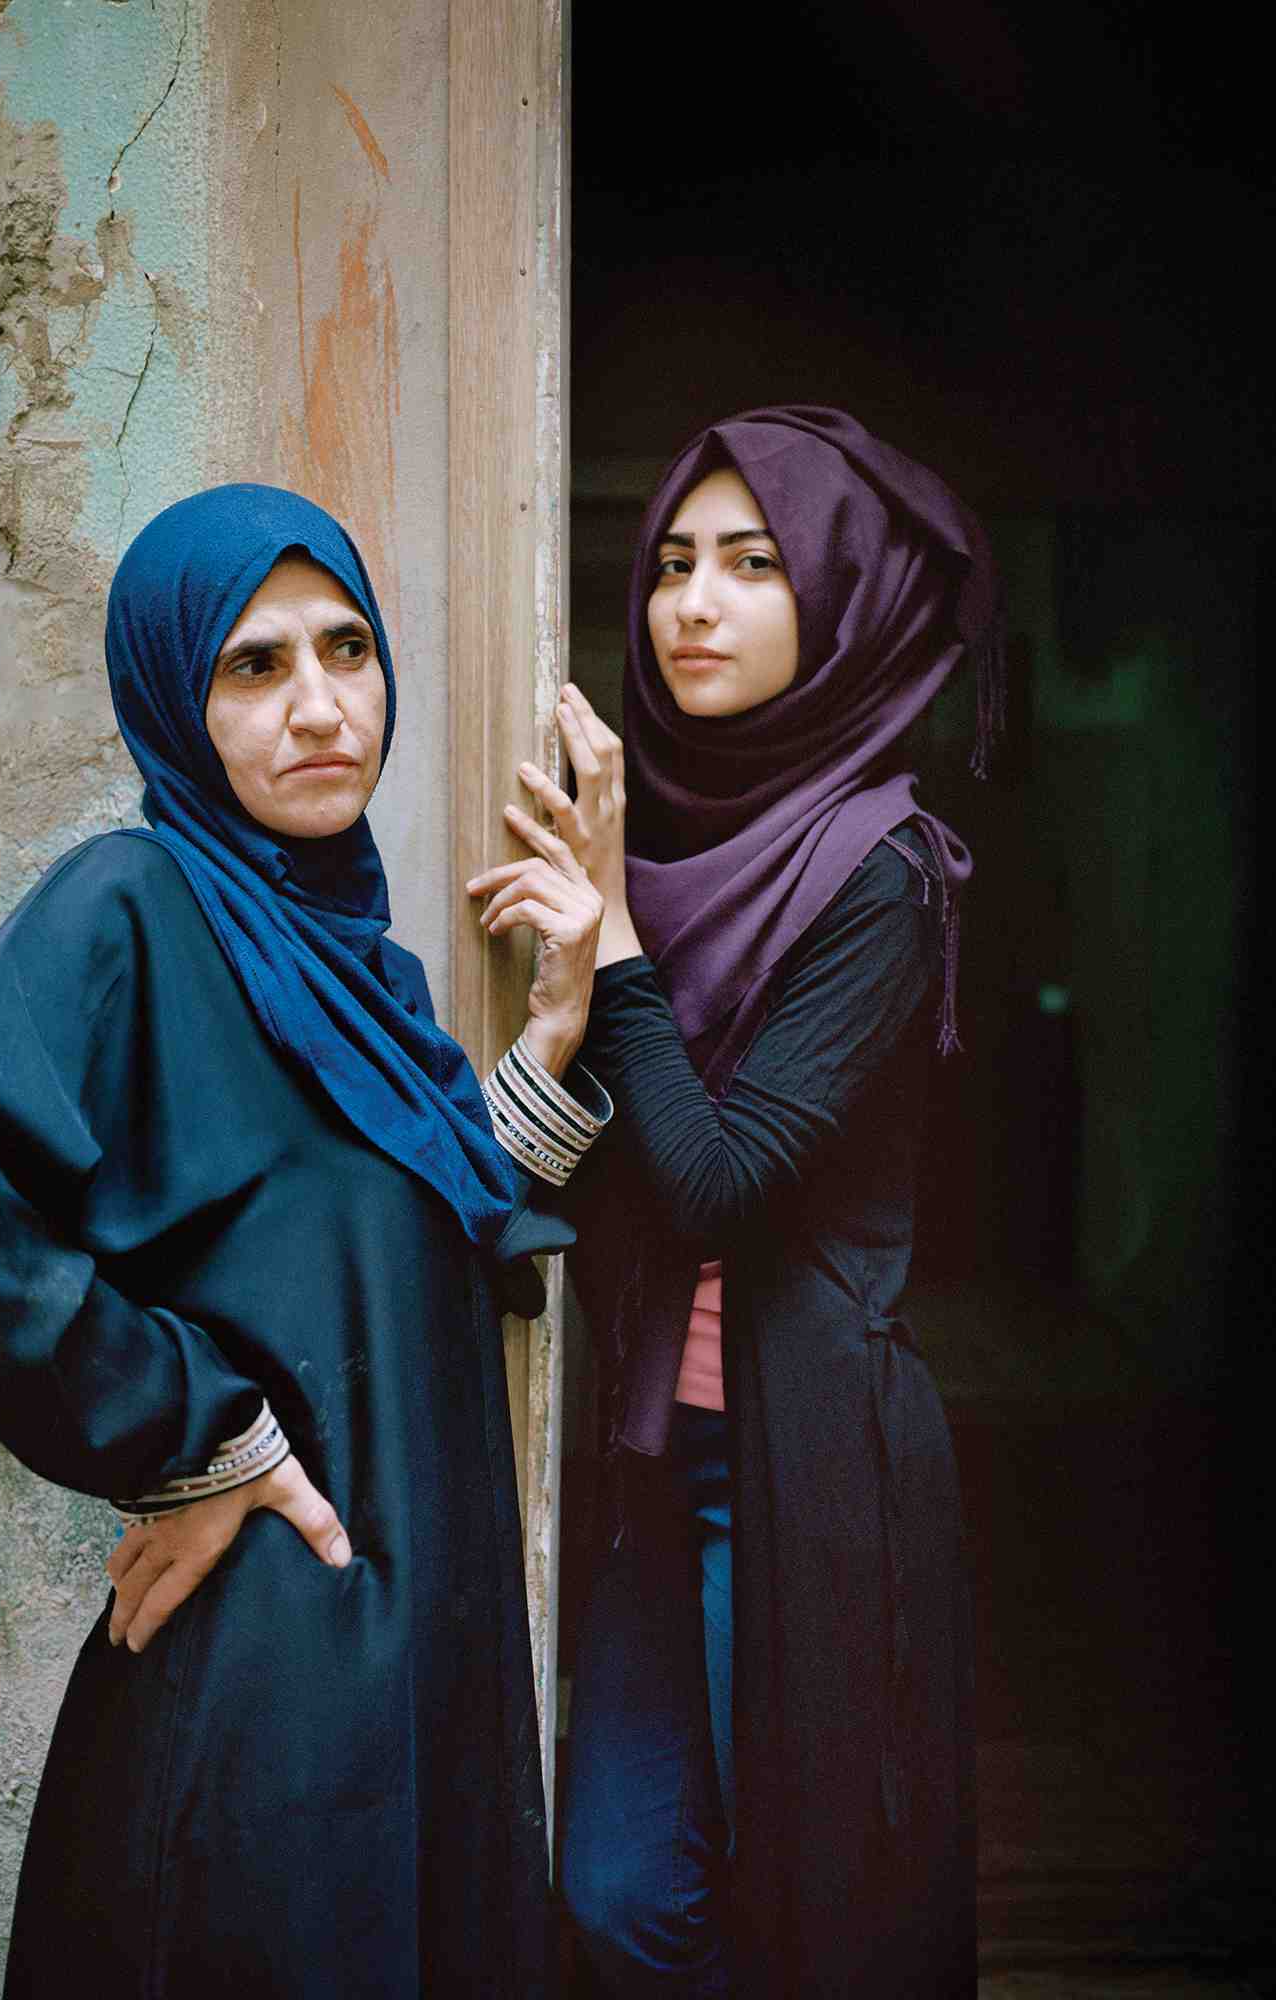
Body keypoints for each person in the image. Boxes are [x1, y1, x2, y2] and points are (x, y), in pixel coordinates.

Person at [0, 484, 609, 1997]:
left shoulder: (361, 970)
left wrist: (554, 1037)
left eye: (346, 651)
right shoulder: (136, 906)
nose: (318, 706)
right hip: (278, 1666)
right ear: (176, 696)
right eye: (254, 667)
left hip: (416, 1647)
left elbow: (402, 1248)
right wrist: (190, 1426)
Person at [472, 407, 996, 1996]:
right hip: (645, 1453)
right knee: (622, 1901)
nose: (693, 603)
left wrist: (617, 940)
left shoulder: (885, 873)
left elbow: (709, 1175)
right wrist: (564, 1014)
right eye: (675, 564)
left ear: (840, 599)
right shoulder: (672, 846)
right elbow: (591, 1161)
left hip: (806, 1464)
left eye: (753, 567)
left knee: (806, 1909)